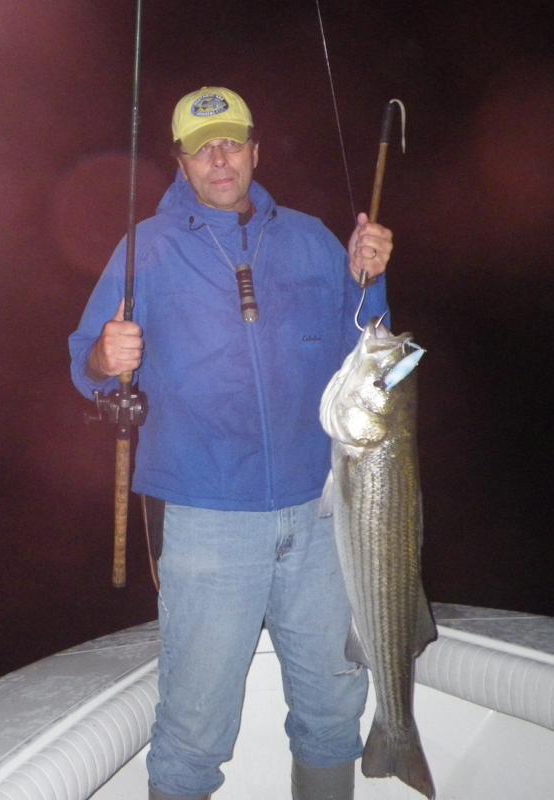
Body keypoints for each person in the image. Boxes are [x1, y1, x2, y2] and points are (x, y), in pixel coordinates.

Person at [69, 86, 393, 800]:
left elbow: (367, 351)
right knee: (193, 734)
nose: (219, 158)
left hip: (322, 514)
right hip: (208, 520)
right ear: (181, 162)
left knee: (333, 710)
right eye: (201, 147)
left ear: (254, 151)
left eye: (231, 143)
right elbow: (85, 362)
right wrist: (103, 358)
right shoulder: (147, 249)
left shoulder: (311, 238)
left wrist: (368, 278)